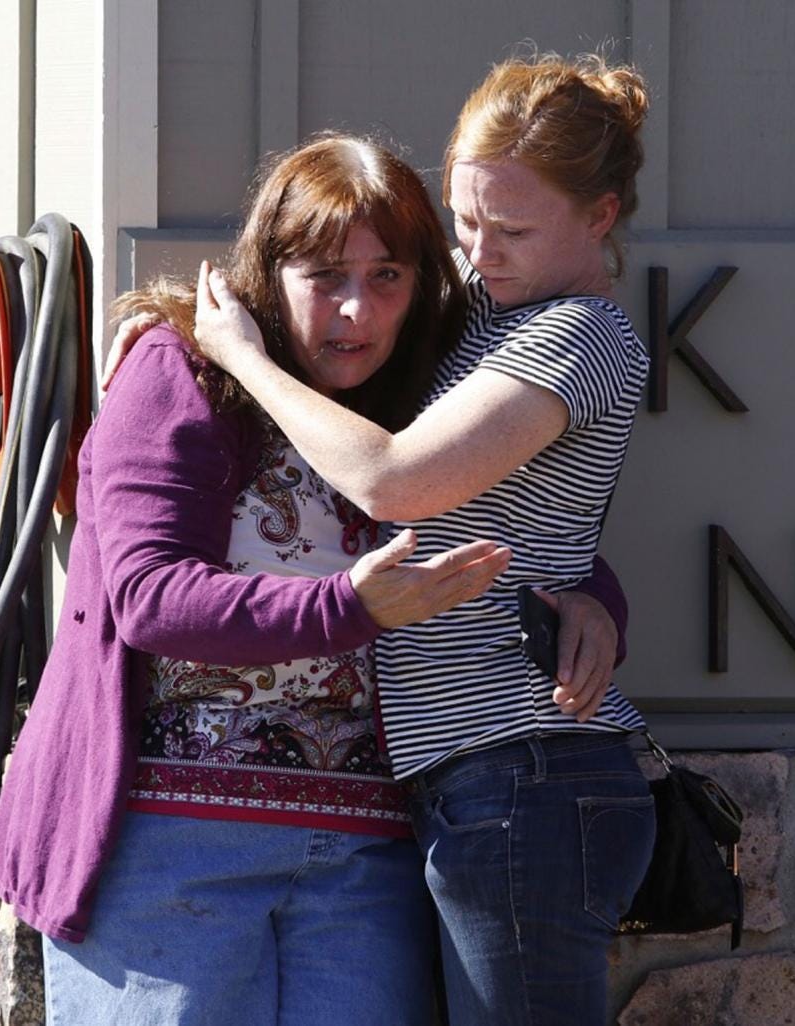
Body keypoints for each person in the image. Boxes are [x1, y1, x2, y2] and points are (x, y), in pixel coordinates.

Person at [0, 134, 630, 1026]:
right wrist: (348, 607)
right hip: (166, 844)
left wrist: (597, 600)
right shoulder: (181, 372)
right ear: (268, 271)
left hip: (368, 857)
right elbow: (149, 595)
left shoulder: (423, 397)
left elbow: (516, 533)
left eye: (389, 276)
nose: (356, 311)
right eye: (325, 274)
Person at [186, 53, 656, 1025]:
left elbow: (395, 477)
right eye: (466, 217)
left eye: (513, 228)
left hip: (525, 776)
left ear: (601, 217)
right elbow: (527, 530)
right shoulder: (482, 306)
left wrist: (237, 355)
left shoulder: (583, 337)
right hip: (459, 780)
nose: (478, 249)